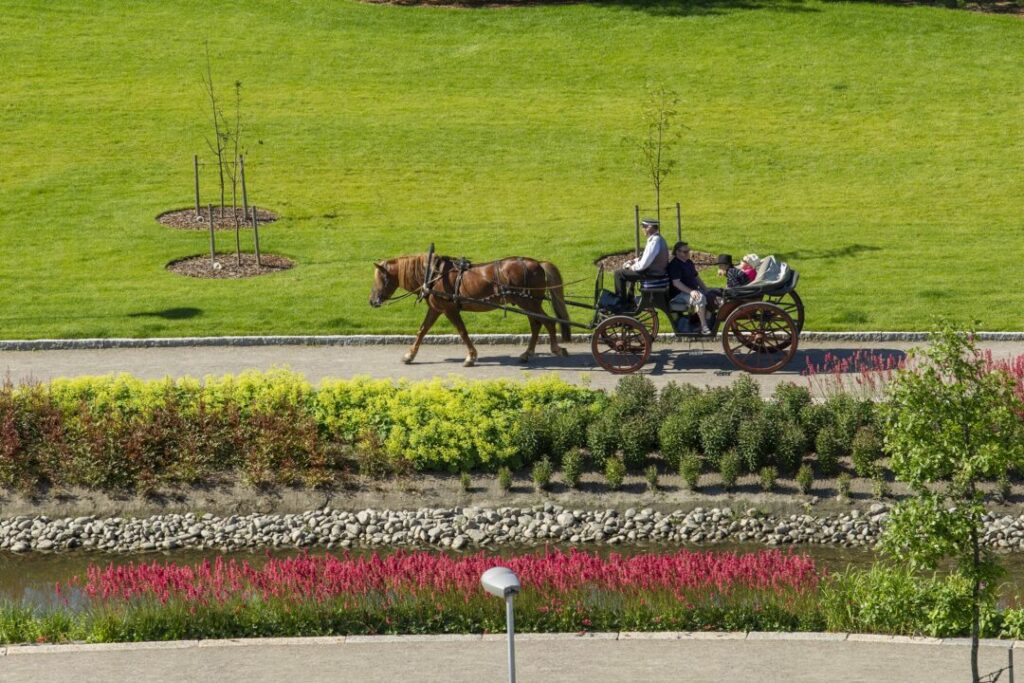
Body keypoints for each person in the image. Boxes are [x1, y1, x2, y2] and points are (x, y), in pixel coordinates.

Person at [613, 218, 669, 304]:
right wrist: (634, 261)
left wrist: (631, 267)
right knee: (627, 271)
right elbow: (645, 257)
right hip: (655, 273)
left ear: (650, 227)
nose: (642, 229)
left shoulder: (654, 242)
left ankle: (620, 303)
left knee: (619, 274)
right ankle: (629, 298)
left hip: (652, 275)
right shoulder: (657, 239)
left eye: (644, 227)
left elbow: (643, 265)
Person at [667, 241, 711, 335]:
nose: (688, 253)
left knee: (712, 294)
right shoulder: (675, 265)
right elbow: (676, 283)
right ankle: (704, 326)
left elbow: (696, 277)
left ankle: (700, 322)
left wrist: (706, 289)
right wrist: (691, 292)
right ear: (677, 252)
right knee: (700, 298)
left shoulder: (688, 262)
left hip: (691, 290)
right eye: (685, 252)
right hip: (679, 294)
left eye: (688, 251)